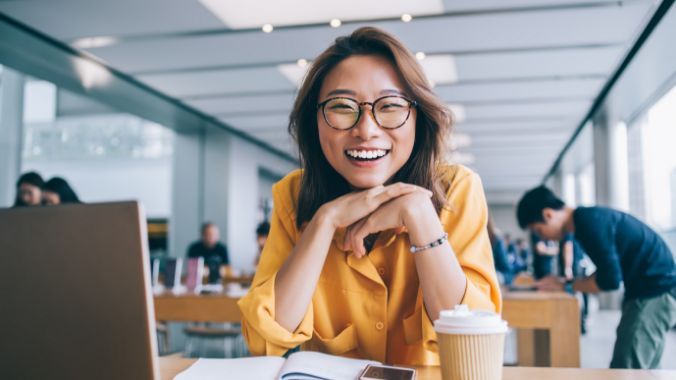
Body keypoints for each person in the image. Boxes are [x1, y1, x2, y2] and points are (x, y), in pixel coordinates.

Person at [238, 27, 500, 366]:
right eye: (342, 107)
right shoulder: (293, 194)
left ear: (418, 118)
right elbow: (264, 341)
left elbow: (472, 336)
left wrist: (421, 216)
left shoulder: (457, 189)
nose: (366, 129)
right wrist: (324, 221)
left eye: (390, 106)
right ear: (314, 122)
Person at [516, 185, 676, 369]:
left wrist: (565, 286)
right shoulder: (587, 219)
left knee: (626, 370)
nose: (542, 236)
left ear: (548, 215)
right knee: (645, 370)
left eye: (538, 230)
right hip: (656, 291)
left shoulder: (587, 223)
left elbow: (609, 281)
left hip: (655, 293)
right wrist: (566, 283)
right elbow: (607, 272)